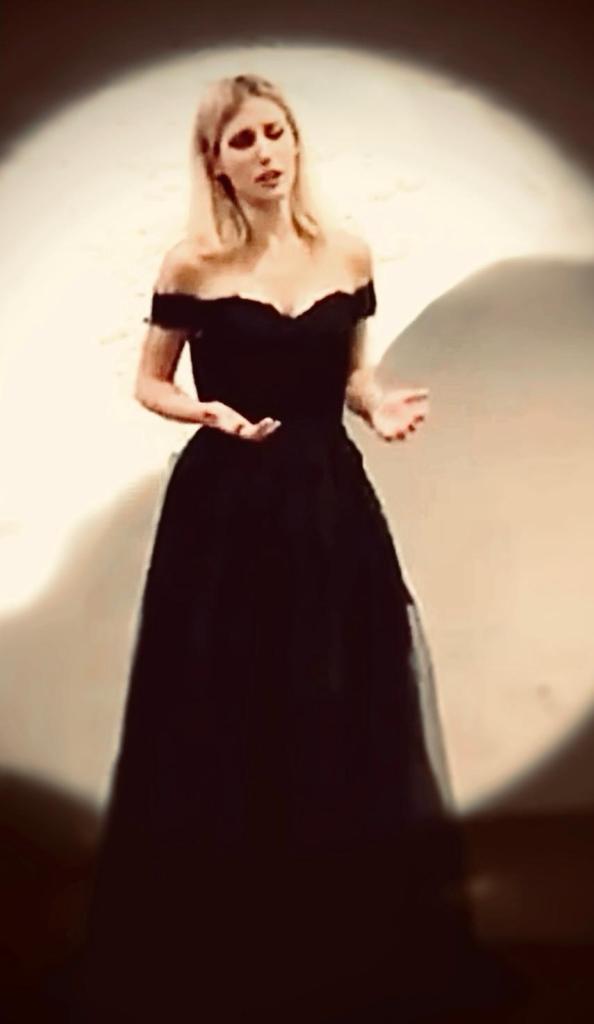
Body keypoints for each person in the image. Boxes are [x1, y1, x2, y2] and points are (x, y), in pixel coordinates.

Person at [69, 73, 524, 1023]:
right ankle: (232, 943)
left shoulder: (346, 252)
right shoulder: (193, 264)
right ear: (216, 162)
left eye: (275, 132)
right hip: (224, 513)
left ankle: (338, 938)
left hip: (327, 504)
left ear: (294, 140)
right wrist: (205, 411)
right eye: (243, 141)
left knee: (337, 697)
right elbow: (149, 382)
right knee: (226, 710)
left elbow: (354, 373)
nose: (266, 152)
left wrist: (377, 403)